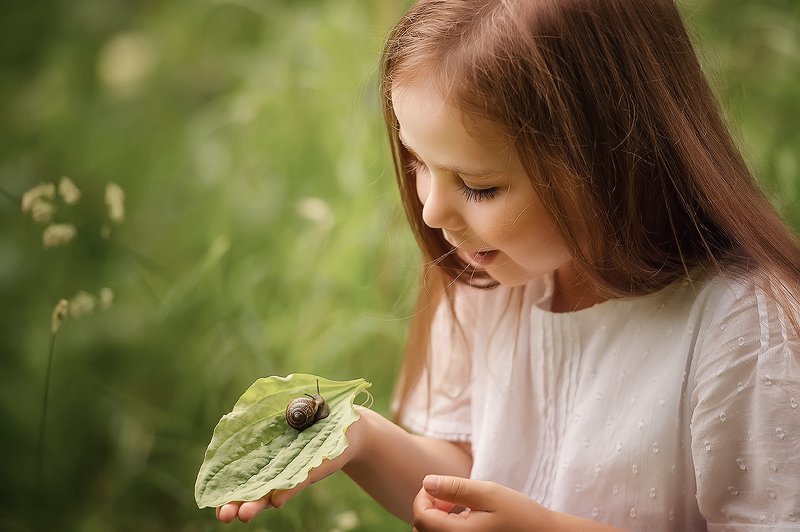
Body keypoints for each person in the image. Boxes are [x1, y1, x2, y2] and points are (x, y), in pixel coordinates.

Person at [217, 0, 800, 529]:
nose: (431, 209)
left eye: (479, 187)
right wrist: (360, 437)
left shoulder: (743, 326)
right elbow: (468, 472)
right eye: (418, 161)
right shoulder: (487, 282)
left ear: (611, 161)